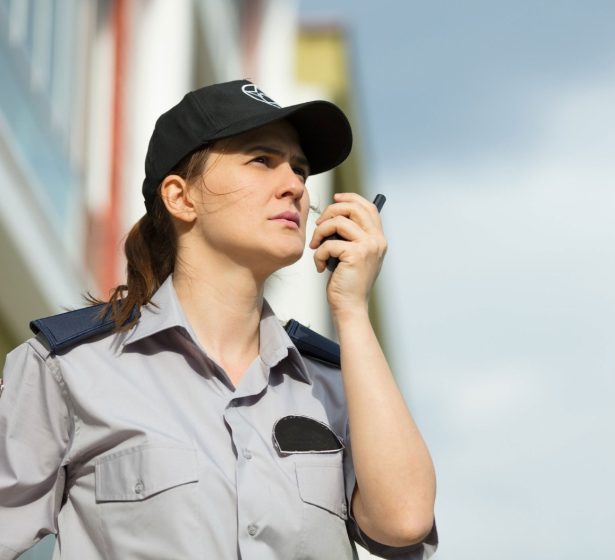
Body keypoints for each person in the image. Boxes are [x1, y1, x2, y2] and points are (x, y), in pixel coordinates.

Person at [0, 80, 437, 559]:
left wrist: (351, 312)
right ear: (181, 197)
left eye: (300, 169)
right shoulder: (66, 369)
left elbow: (404, 522)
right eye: (261, 160)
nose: (294, 185)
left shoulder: (335, 381)